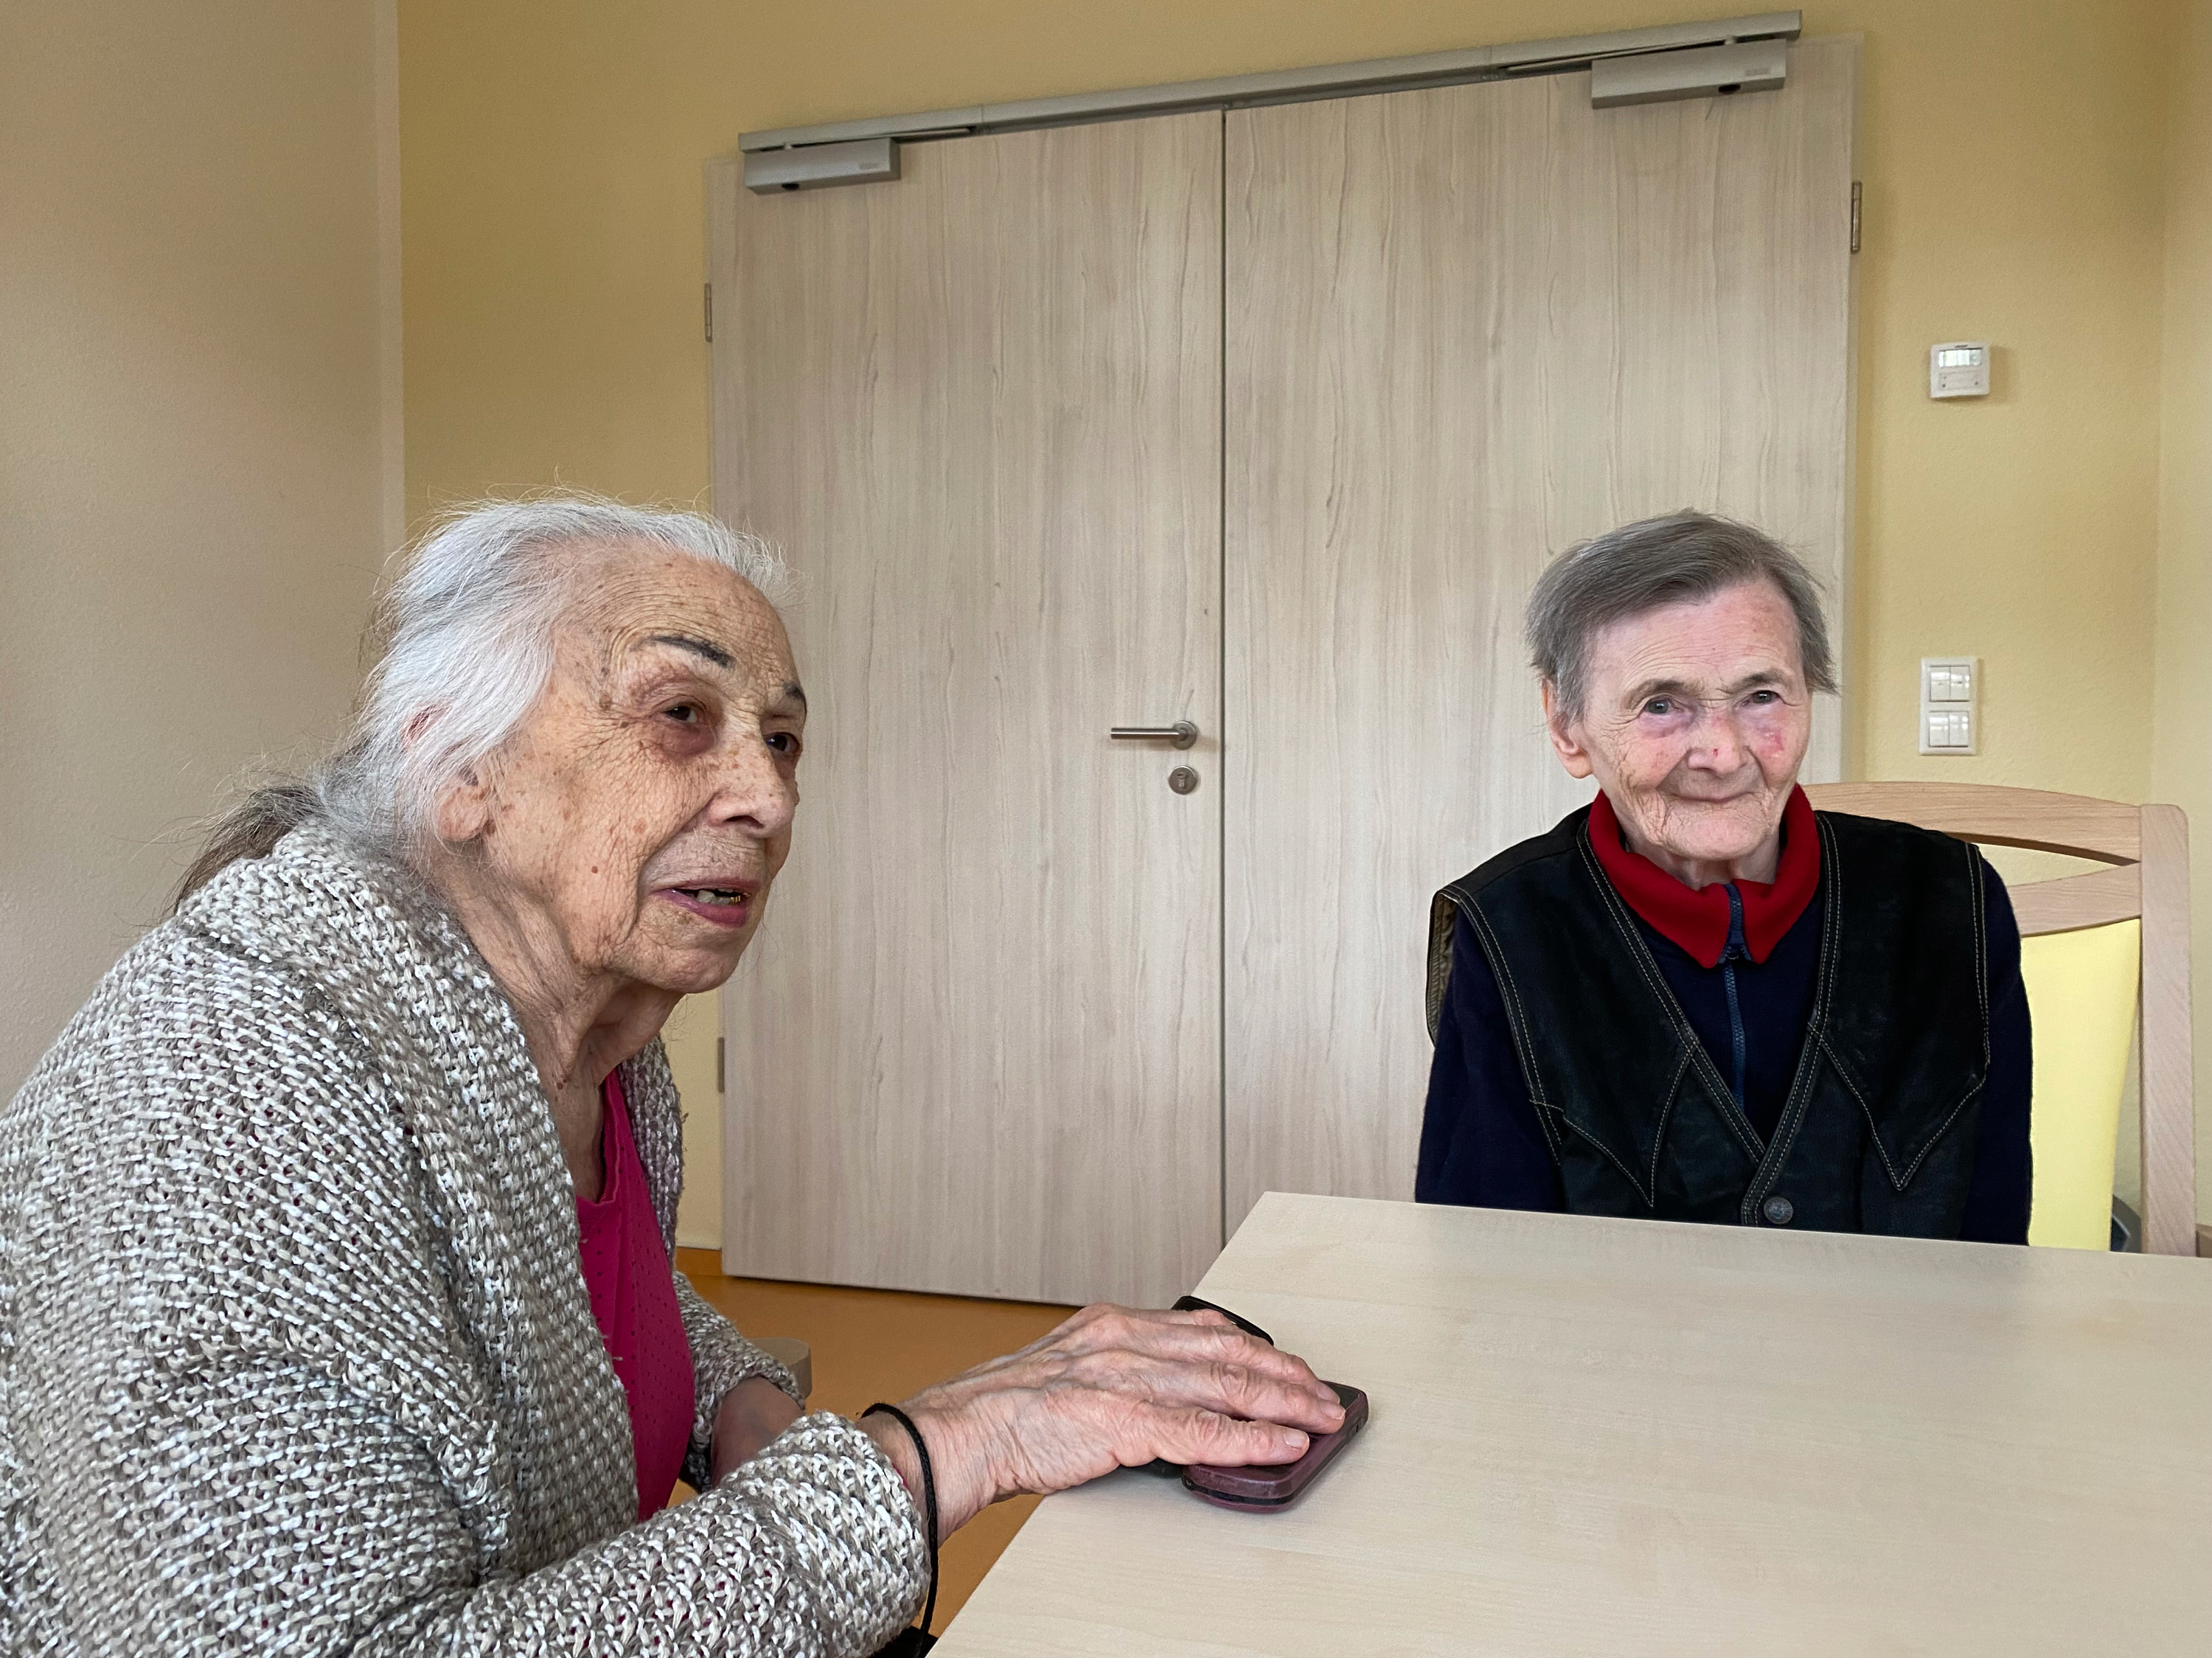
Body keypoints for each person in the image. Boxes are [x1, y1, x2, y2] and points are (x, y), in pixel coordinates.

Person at [1, 496, 1343, 1657]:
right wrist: (933, 1448)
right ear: (454, 765)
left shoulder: (597, 1054)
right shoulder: (245, 1092)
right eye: (683, 714)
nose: (766, 793)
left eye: (785, 738)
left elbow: (557, 1288)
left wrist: (732, 1397)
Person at [1416, 511, 2031, 1241]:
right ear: (1565, 725)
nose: (1723, 750)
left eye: (1760, 695)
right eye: (1662, 704)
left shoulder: (1950, 902)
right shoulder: (1508, 929)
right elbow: (1484, 1255)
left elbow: (1993, 1236)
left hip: (1903, 1352)